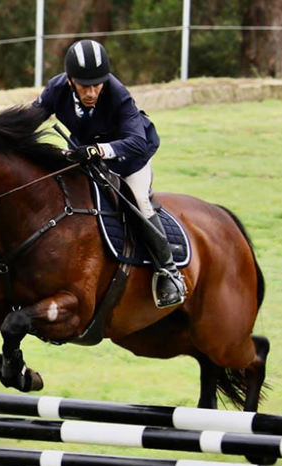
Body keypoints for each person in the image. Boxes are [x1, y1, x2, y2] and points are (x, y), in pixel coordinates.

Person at [33, 39, 186, 308]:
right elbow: (29, 119)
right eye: (84, 86)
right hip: (86, 153)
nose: (92, 92)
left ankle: (169, 273)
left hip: (130, 158)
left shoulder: (117, 93)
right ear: (70, 81)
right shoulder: (56, 89)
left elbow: (137, 141)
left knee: (138, 201)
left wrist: (98, 151)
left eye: (97, 85)